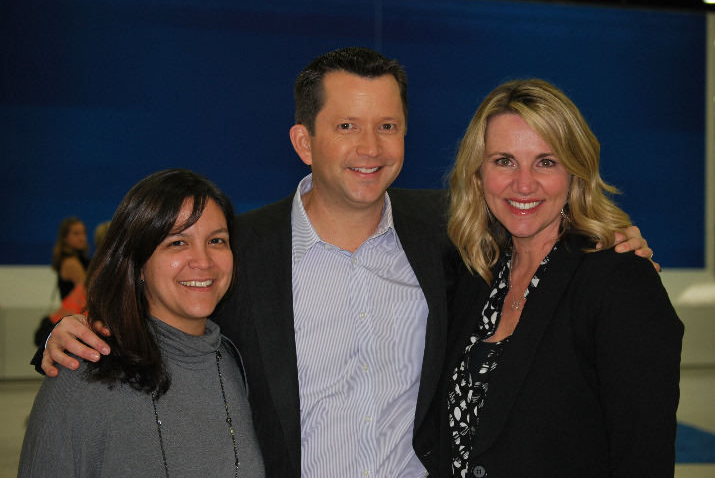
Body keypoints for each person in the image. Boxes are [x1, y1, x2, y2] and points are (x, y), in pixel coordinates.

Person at [35, 49, 654, 477]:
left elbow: (538, 210)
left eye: (389, 125)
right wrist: (72, 333)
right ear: (304, 141)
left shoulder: (450, 236)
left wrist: (616, 236)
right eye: (348, 125)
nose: (371, 148)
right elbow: (165, 308)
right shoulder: (241, 253)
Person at [414, 79, 683, 477]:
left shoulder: (619, 281)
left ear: (575, 173)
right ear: (478, 173)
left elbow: (643, 455)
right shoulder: (476, 273)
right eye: (504, 160)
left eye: (546, 162)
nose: (524, 184)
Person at [20, 168, 265, 477]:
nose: (203, 261)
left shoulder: (234, 362)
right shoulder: (85, 374)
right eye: (177, 243)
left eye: (217, 240)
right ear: (136, 264)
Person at [51, 216, 90, 301]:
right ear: (65, 238)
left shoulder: (80, 259)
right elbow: (86, 293)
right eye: (76, 234)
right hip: (75, 312)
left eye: (84, 233)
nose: (82, 238)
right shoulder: (70, 262)